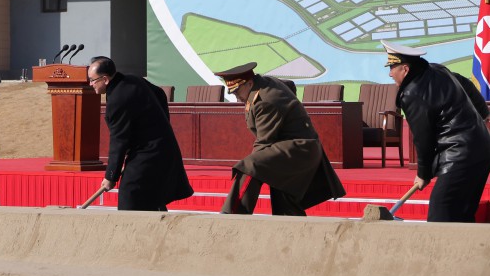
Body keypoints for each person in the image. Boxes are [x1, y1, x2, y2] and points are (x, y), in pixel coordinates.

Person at [215, 62, 346, 216]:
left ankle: (232, 214)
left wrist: (258, 163)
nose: (236, 97)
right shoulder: (262, 85)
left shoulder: (265, 100)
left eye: (237, 91)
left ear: (249, 83)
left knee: (250, 166)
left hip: (299, 150)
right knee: (285, 205)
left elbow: (264, 143)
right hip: (291, 148)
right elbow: (290, 88)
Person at [383, 40, 490, 222]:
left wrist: (423, 174)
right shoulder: (437, 70)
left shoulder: (412, 93)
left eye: (392, 68)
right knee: (461, 214)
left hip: (460, 155)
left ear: (405, 69)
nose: (390, 73)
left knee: (440, 214)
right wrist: (483, 113)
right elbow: (465, 83)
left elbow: (423, 139)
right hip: (483, 149)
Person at [90, 57, 193, 211]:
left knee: (130, 193)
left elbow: (118, 142)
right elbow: (160, 94)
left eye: (92, 80)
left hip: (147, 152)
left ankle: (131, 232)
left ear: (105, 79)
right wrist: (162, 125)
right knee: (151, 194)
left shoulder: (117, 100)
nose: (90, 84)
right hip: (161, 147)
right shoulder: (133, 80)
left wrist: (111, 177)